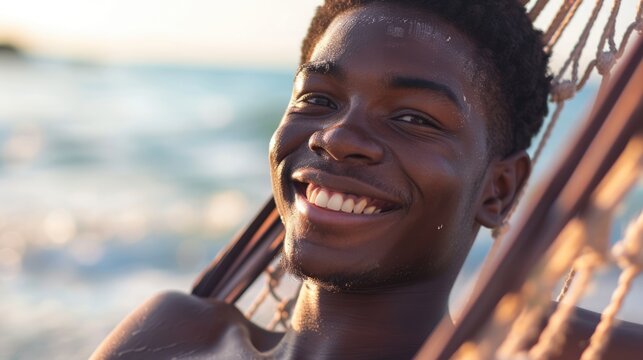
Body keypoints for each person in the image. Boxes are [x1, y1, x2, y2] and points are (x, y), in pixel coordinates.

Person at [91, 1, 641, 359]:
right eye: (318, 99)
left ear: (499, 189)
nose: (337, 135)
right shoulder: (178, 334)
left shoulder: (559, 348)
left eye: (413, 118)